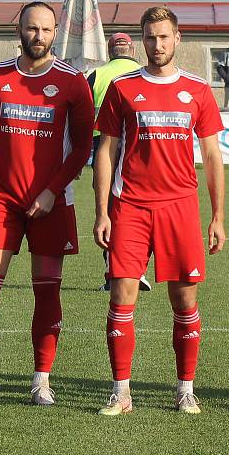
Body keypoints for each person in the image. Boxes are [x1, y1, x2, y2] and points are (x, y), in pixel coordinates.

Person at [0, 1, 94, 407]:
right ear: (19, 30)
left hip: (53, 200)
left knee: (46, 290)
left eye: (47, 30)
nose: (40, 37)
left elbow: (83, 145)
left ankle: (41, 381)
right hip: (2, 199)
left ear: (55, 33)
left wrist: (52, 189)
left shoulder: (72, 81)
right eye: (33, 29)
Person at [93, 6, 225, 415]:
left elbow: (212, 155)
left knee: (184, 301)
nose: (157, 44)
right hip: (129, 205)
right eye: (150, 37)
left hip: (180, 208)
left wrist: (218, 215)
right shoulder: (123, 88)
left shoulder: (198, 89)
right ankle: (122, 391)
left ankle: (185, 389)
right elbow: (106, 150)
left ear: (177, 38)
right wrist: (102, 211)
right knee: (121, 295)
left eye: (164, 37)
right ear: (142, 40)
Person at [87, 32, 151, 293]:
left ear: (110, 50)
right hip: (139, 147)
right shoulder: (144, 72)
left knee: (111, 211)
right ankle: (140, 269)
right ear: (133, 50)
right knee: (142, 208)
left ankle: (114, 273)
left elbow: (81, 117)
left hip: (103, 147)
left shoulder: (96, 75)